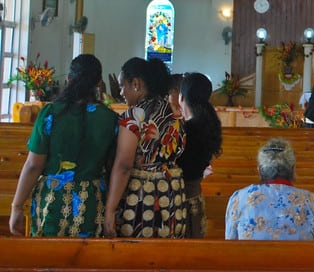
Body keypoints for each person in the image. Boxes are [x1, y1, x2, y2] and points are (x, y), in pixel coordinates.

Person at [9, 54, 118, 237]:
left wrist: (17, 206)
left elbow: (34, 165)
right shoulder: (110, 118)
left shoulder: (50, 113)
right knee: (88, 261)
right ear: (99, 83)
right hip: (91, 201)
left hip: (52, 200)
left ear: (69, 79)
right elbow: (114, 166)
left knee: (47, 259)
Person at [104, 57, 187, 238]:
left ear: (136, 84)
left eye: (122, 86)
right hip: (173, 197)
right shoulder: (175, 113)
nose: (121, 93)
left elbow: (124, 165)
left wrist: (109, 210)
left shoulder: (134, 116)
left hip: (142, 199)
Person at [225, 138, 314, 240]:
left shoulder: (239, 199)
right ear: (293, 169)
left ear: (260, 170)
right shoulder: (313, 201)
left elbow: (230, 245)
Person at [177, 72, 223, 238]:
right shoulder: (208, 126)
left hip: (178, 201)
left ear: (181, 97)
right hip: (196, 197)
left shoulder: (184, 130)